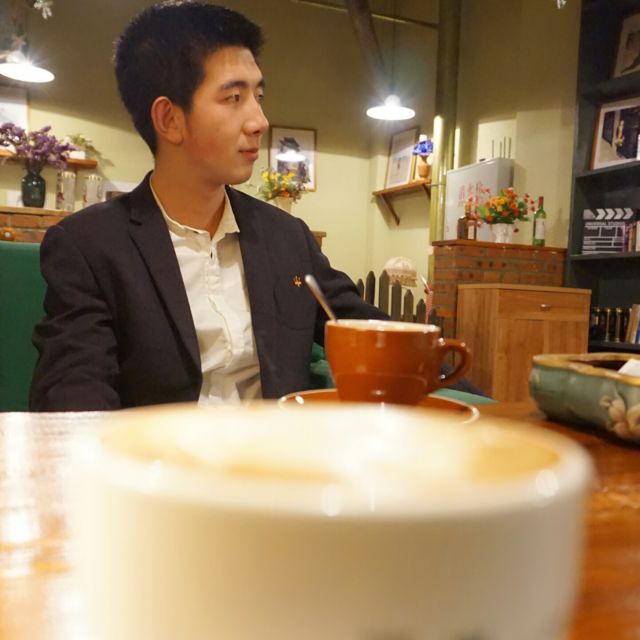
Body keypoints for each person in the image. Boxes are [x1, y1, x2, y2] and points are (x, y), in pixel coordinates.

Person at [29, 1, 479, 411]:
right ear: (169, 119)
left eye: (258, 96)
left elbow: (371, 330)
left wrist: (490, 404)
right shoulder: (91, 247)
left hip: (279, 464)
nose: (259, 121)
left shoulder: (287, 238)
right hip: (158, 467)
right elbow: (73, 397)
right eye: (233, 97)